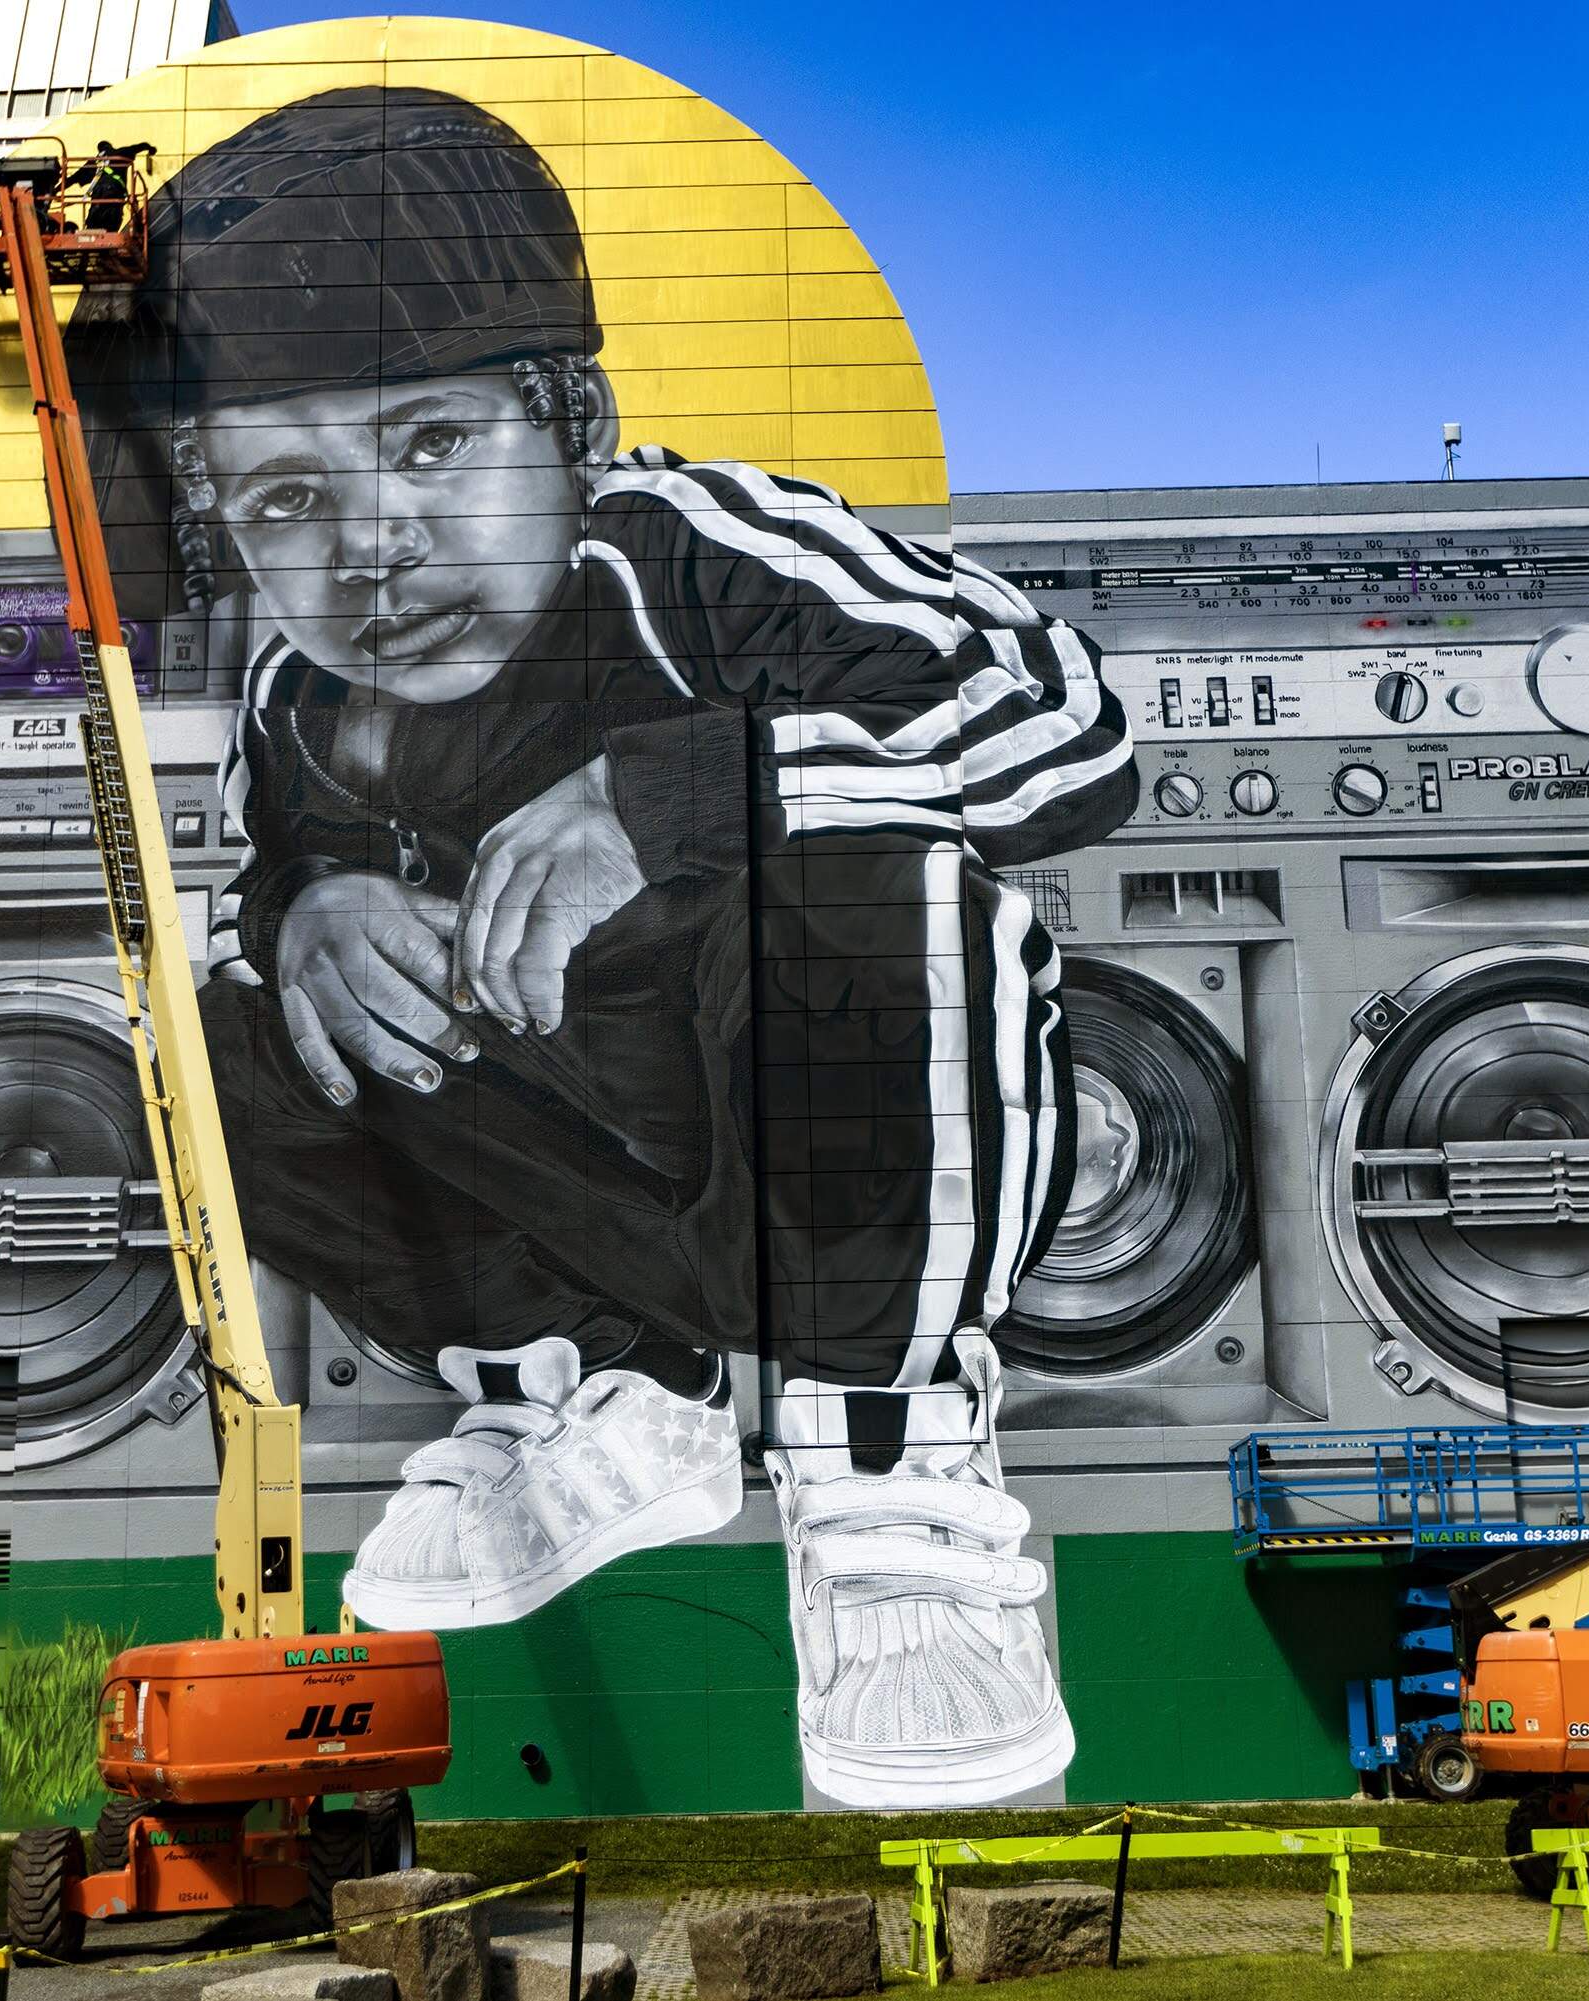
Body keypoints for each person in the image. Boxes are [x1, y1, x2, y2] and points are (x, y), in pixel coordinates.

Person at [65, 86, 1134, 1807]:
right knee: (212, 1040)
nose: (371, 548)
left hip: (811, 1170)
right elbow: (283, 888)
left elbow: (1073, 727)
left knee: (877, 887)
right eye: (280, 500)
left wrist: (678, 789)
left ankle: (891, 1477)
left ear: (578, 424)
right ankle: (594, 1397)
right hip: (570, 1197)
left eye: (430, 447)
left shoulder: (709, 558)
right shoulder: (294, 697)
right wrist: (312, 913)